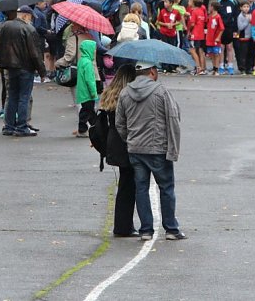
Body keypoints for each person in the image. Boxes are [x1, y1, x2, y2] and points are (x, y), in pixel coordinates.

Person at [116, 61, 185, 241]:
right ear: (152, 72)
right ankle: (171, 229)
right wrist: (173, 149)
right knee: (166, 188)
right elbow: (173, 118)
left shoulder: (125, 92)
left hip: (135, 148)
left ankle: (146, 229)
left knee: (141, 188)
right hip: (158, 148)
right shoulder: (161, 91)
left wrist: (129, 139)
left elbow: (120, 123)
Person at [96, 64, 138, 237]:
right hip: (125, 142)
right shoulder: (127, 96)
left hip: (113, 142)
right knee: (129, 185)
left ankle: (123, 224)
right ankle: (123, 226)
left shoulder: (110, 93)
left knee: (125, 184)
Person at [0, 7, 45, 137]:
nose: (31, 20)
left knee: (12, 95)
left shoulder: (4, 26)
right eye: (30, 17)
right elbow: (35, 53)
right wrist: (42, 71)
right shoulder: (28, 29)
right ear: (26, 16)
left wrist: (1, 64)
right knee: (24, 97)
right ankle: (22, 126)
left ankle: (9, 126)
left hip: (10, 66)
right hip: (25, 67)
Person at [75, 39, 99, 138]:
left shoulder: (81, 61)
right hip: (87, 93)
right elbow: (90, 80)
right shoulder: (88, 63)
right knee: (86, 111)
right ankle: (82, 129)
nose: (95, 52)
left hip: (82, 91)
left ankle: (96, 128)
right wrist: (94, 93)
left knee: (90, 111)